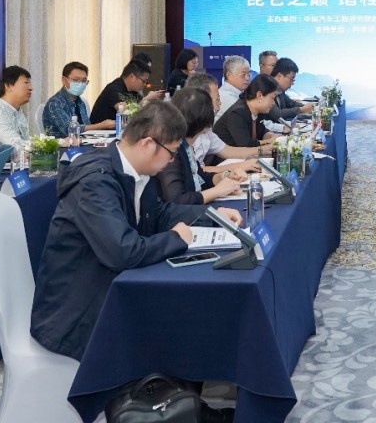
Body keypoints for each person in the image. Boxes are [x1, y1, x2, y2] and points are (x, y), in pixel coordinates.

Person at [30, 101, 243, 362]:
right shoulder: (94, 182)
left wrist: (212, 215)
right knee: (184, 317)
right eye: (171, 153)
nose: (171, 161)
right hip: (77, 312)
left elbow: (159, 213)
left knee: (193, 312)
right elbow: (124, 251)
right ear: (148, 144)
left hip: (109, 287)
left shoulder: (135, 170)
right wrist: (176, 238)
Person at [155, 87, 247, 205]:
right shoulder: (171, 150)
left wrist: (224, 177)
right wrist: (217, 191)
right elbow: (177, 200)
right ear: (205, 122)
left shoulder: (185, 145)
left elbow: (199, 177)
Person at [186, 73, 269, 170]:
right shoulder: (185, 130)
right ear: (201, 100)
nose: (220, 103)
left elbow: (228, 151)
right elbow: (194, 171)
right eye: (217, 99)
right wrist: (238, 167)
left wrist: (263, 150)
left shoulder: (206, 129)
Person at [43, 61, 115, 138]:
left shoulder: (80, 102)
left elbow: (87, 129)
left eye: (83, 81)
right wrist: (101, 125)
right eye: (75, 80)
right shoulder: (55, 103)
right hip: (63, 144)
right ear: (64, 80)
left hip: (83, 142)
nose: (80, 84)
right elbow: (70, 130)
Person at [90, 58, 164, 124]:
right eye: (143, 81)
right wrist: (147, 98)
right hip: (100, 132)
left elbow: (140, 110)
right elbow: (125, 111)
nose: (144, 84)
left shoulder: (134, 92)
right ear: (132, 77)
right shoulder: (114, 88)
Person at [213, 74, 279, 148]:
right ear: (259, 95)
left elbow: (262, 131)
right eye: (272, 98)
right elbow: (245, 145)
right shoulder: (237, 113)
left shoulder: (258, 111)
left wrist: (272, 136)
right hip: (223, 155)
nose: (273, 103)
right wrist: (268, 141)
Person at [0, 65, 33, 147]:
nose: (31, 88)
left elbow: (27, 140)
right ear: (8, 86)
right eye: (26, 83)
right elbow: (17, 146)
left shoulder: (17, 112)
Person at [268, 57, 314, 122]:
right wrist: (301, 109)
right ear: (279, 76)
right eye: (291, 79)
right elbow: (278, 114)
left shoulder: (280, 90)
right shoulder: (266, 88)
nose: (292, 83)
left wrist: (311, 107)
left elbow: (292, 104)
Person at [215, 55, 251, 122]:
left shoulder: (239, 94)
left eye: (249, 74)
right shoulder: (227, 96)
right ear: (229, 75)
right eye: (243, 75)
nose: (247, 78)